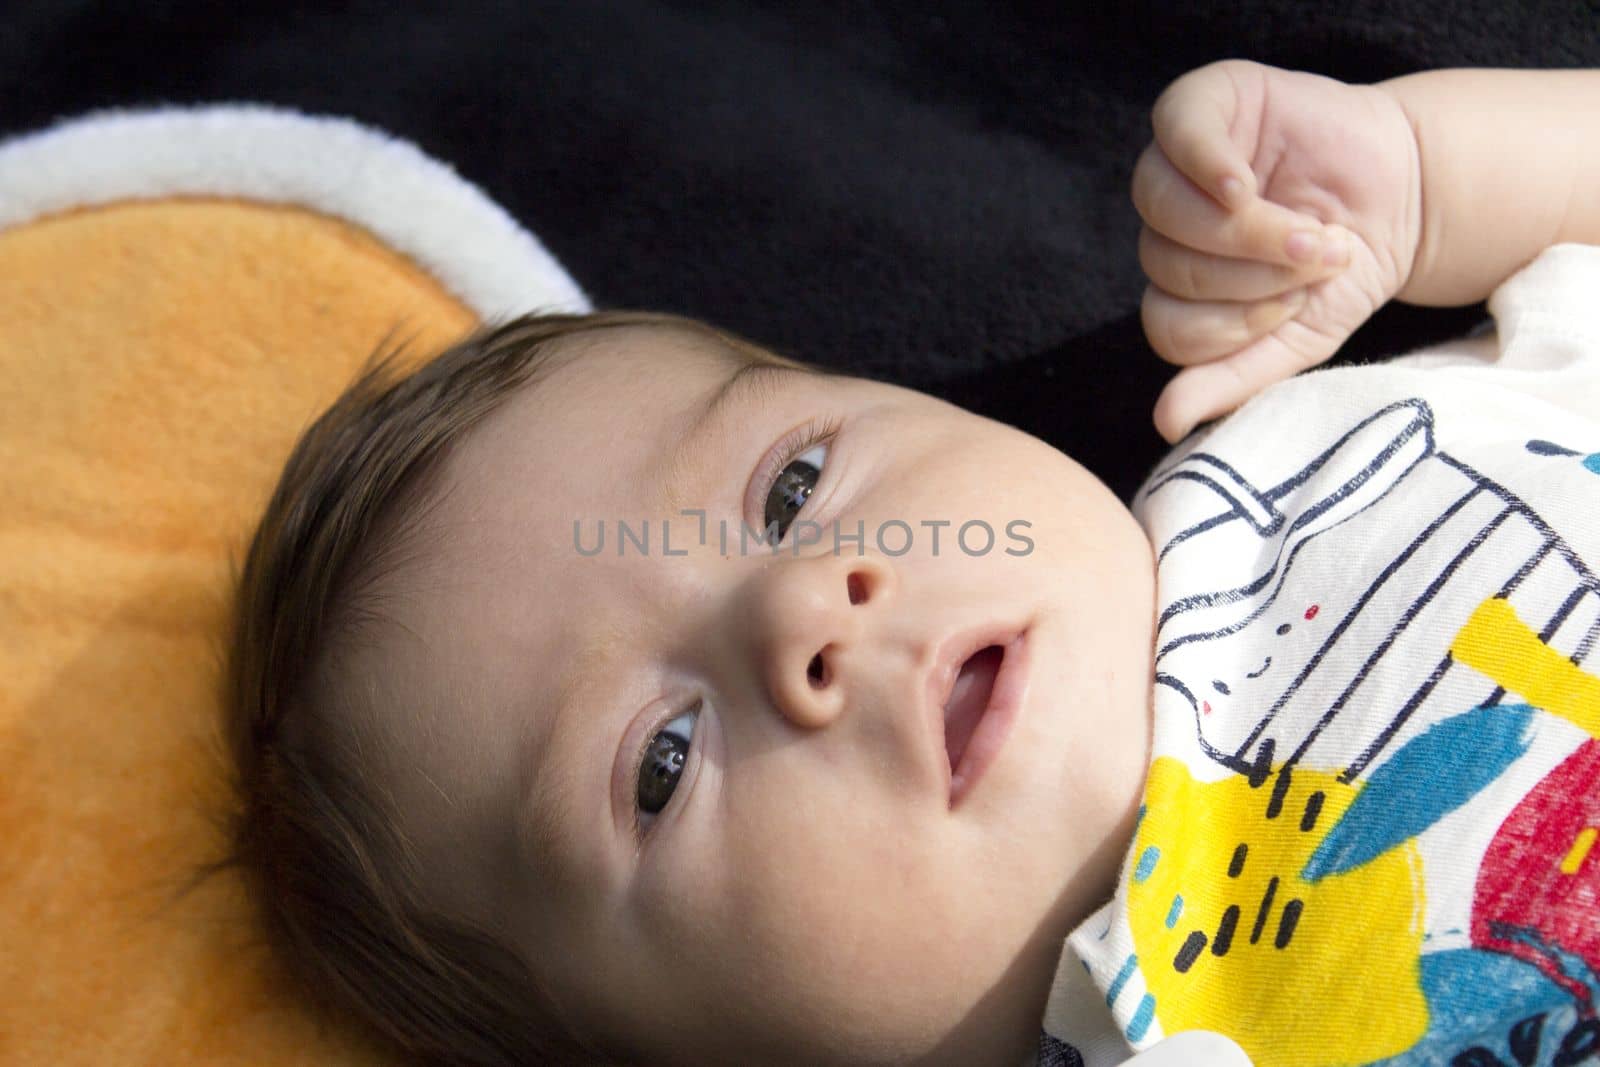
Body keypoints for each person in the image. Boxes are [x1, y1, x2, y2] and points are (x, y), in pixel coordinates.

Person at [217, 58, 1600, 1067]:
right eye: (661, 761)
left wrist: (1428, 181)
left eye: (796, 487)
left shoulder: (1329, 438)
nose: (805, 612)